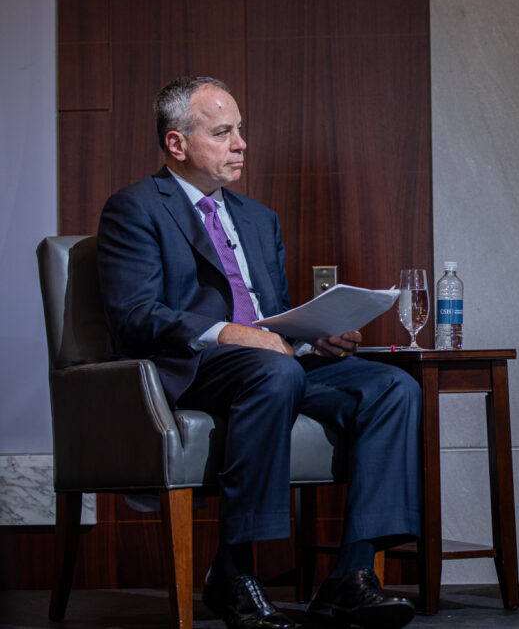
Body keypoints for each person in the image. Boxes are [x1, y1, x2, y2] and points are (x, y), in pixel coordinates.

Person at [98, 77, 421, 629]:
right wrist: (229, 333)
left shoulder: (257, 217)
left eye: (240, 130)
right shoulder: (134, 209)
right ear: (177, 144)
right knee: (273, 371)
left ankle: (351, 575)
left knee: (394, 387)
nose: (241, 143)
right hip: (195, 367)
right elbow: (136, 313)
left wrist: (314, 333)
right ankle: (234, 571)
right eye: (223, 133)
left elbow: (271, 317)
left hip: (274, 363)